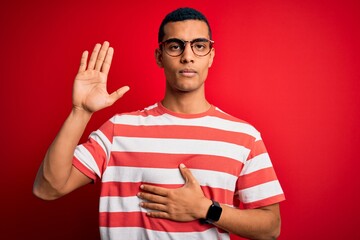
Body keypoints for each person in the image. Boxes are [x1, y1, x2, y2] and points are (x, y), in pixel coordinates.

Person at [33, 7, 285, 240]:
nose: (188, 57)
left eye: (199, 46)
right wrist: (80, 112)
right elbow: (47, 189)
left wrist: (204, 208)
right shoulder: (118, 130)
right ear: (159, 56)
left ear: (211, 56)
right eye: (175, 46)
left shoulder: (243, 136)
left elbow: (270, 227)